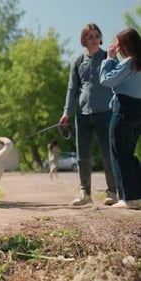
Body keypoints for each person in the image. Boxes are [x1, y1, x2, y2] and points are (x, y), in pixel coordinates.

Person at [58, 23, 117, 206]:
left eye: (96, 35)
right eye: (89, 36)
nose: (93, 39)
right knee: (83, 155)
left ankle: (113, 192)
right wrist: (66, 112)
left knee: (108, 154)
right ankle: (85, 192)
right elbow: (72, 88)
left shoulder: (109, 58)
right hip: (82, 114)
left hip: (106, 112)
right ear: (84, 40)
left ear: (100, 38)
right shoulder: (77, 61)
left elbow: (119, 81)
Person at [99, 28, 141, 209]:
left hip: (124, 108)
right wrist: (114, 61)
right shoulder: (137, 63)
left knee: (119, 153)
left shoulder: (130, 62)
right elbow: (119, 76)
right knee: (129, 154)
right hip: (139, 110)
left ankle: (128, 198)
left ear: (124, 46)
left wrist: (109, 58)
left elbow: (106, 80)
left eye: (118, 44)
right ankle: (137, 195)